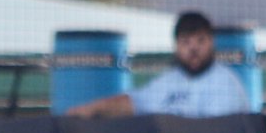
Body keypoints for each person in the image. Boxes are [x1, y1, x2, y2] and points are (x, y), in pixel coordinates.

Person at [66, 11, 248, 119]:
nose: (193, 49)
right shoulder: (168, 81)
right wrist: (93, 108)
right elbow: (134, 102)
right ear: (176, 46)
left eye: (200, 41)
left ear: (212, 42)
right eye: (185, 42)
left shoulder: (225, 83)